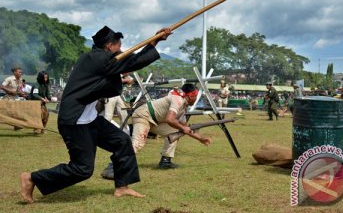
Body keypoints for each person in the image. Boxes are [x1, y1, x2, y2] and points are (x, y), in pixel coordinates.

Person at [20, 26, 172, 203]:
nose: (121, 50)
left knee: (122, 141)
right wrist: (154, 41)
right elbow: (132, 62)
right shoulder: (99, 58)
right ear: (109, 46)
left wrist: (154, 40)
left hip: (89, 118)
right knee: (82, 169)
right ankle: (31, 178)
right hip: (75, 121)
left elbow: (125, 64)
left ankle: (122, 187)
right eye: (119, 46)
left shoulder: (97, 58)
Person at [101, 84, 211, 179]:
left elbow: (184, 127)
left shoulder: (183, 107)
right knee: (137, 144)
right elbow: (170, 119)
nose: (196, 99)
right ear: (190, 95)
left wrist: (200, 139)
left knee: (175, 133)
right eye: (195, 97)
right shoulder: (177, 100)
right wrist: (183, 128)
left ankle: (166, 160)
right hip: (143, 116)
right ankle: (112, 166)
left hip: (154, 120)